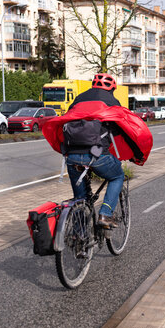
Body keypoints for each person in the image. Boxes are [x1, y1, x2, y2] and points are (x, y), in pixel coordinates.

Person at [63, 73, 125, 229]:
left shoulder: (78, 99)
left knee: (80, 198)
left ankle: (79, 238)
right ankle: (105, 214)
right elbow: (120, 128)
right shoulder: (112, 101)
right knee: (117, 176)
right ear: (112, 89)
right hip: (96, 154)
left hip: (72, 155)